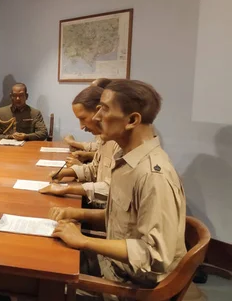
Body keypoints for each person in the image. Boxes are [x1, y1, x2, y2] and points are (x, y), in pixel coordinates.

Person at [49, 80, 186, 298]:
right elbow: (119, 218)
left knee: (40, 281)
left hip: (129, 285)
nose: (95, 117)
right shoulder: (125, 159)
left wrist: (84, 241)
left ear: (132, 120)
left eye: (104, 109)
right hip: (112, 265)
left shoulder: (153, 175)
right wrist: (74, 214)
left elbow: (154, 255)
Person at [39, 86, 120, 208]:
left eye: (83, 118)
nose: (81, 126)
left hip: (104, 212)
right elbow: (95, 169)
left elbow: (113, 189)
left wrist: (66, 189)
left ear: (100, 111)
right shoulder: (105, 138)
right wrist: (67, 172)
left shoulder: (120, 143)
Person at [64, 78, 113, 161]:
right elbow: (99, 150)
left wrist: (74, 143)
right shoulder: (105, 134)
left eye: (93, 91)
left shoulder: (116, 136)